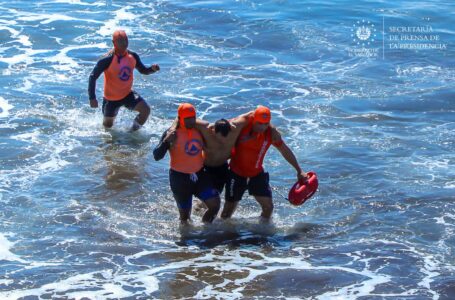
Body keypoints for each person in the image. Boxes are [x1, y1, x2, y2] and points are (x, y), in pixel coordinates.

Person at [221, 105, 308, 220]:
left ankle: (261, 234)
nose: (262, 127)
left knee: (268, 208)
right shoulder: (240, 127)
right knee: (227, 213)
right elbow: (218, 129)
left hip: (256, 174)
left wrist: (299, 170)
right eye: (259, 123)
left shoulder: (271, 134)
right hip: (236, 174)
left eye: (265, 124)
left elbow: (285, 150)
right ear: (253, 120)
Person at [153, 103, 220, 224]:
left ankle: (206, 229)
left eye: (193, 118)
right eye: (187, 119)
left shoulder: (199, 130)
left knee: (214, 205)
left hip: (199, 175)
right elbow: (157, 156)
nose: (191, 122)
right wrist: (165, 142)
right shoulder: (171, 133)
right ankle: (190, 238)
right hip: (179, 179)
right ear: (180, 118)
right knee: (185, 218)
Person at [88, 30, 160, 131]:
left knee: (145, 111)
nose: (124, 43)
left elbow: (143, 70)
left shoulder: (133, 56)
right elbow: (92, 77)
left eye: (125, 40)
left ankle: (131, 133)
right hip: (111, 99)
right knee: (107, 128)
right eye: (120, 41)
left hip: (127, 94)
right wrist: (92, 97)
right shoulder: (106, 60)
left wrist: (152, 69)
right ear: (114, 43)